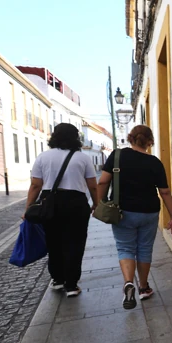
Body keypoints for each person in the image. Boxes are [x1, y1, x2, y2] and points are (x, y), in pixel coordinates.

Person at [98, 125, 172, 310]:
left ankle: (128, 283)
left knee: (125, 247)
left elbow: (103, 181)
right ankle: (143, 287)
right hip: (149, 212)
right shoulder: (155, 162)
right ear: (150, 142)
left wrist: (98, 203)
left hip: (122, 211)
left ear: (130, 138)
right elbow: (165, 192)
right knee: (144, 248)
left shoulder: (117, 156)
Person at [26, 123, 99, 297]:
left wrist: (28, 208)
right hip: (76, 203)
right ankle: (72, 284)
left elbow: (36, 185)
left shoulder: (43, 157)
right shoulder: (82, 158)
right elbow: (92, 186)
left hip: (50, 202)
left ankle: (58, 279)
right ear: (76, 138)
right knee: (76, 242)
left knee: (53, 241)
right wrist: (96, 204)